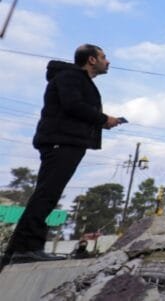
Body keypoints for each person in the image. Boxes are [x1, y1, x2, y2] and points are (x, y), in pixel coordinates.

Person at [2, 44, 123, 266]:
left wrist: (101, 122)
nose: (108, 61)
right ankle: (28, 248)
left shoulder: (76, 79)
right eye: (104, 57)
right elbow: (73, 105)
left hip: (66, 141)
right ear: (91, 60)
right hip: (62, 142)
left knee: (46, 194)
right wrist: (103, 118)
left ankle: (15, 252)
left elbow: (76, 109)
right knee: (46, 195)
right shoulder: (72, 77)